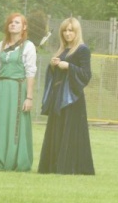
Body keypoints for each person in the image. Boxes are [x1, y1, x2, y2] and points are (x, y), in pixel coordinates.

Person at [38, 17, 95, 175]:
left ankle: (70, 167)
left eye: (71, 30)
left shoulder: (82, 50)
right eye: (65, 30)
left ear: (77, 32)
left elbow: (86, 74)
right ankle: (54, 166)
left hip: (72, 99)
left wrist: (68, 66)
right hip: (58, 98)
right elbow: (55, 75)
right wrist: (53, 66)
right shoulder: (62, 50)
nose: (67, 33)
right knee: (57, 131)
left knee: (70, 132)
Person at [0, 12, 37, 171]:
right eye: (11, 22)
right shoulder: (2, 45)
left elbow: (30, 72)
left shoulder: (28, 46)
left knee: (14, 125)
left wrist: (29, 97)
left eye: (17, 22)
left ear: (24, 27)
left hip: (17, 90)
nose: (13, 24)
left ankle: (14, 161)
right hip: (0, 90)